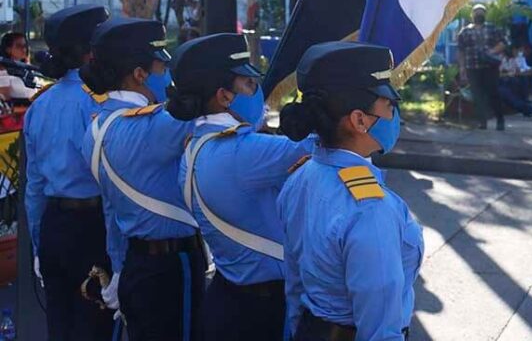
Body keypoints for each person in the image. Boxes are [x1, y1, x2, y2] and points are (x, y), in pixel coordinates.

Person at [168, 33, 316, 340]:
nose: (256, 90)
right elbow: (328, 144)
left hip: (226, 296)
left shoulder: (194, 148)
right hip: (262, 312)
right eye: (248, 84)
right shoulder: (242, 151)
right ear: (224, 96)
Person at [277, 41, 424, 341]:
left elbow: (294, 284)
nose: (395, 114)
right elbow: (380, 329)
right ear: (359, 120)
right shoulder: (369, 208)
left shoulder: (300, 177)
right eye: (389, 105)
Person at [81, 18, 202, 341]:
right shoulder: (158, 125)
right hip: (173, 265)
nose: (167, 74)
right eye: (162, 65)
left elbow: (112, 209)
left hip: (134, 262)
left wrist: (119, 267)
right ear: (139, 74)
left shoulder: (95, 130)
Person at [23, 4, 113, 341]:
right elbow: (110, 183)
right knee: (95, 328)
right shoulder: (100, 103)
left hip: (53, 226)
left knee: (59, 327)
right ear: (93, 51)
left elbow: (34, 187)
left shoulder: (40, 104)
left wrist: (38, 244)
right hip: (92, 227)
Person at [458, 4, 506, 130]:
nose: (479, 14)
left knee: (493, 94)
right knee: (477, 96)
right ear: (472, 15)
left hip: (490, 67)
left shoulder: (492, 28)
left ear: (485, 14)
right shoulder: (465, 31)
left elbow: (503, 44)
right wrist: (462, 68)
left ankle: (500, 120)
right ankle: (482, 122)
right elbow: (461, 51)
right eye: (476, 12)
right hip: (472, 67)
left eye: (481, 12)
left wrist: (491, 52)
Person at [498, 46, 532, 118]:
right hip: (496, 83)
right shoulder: (500, 60)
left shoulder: (513, 59)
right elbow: (497, 74)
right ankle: (530, 110)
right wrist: (507, 74)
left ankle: (528, 107)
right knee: (507, 94)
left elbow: (517, 71)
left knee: (517, 82)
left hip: (505, 81)